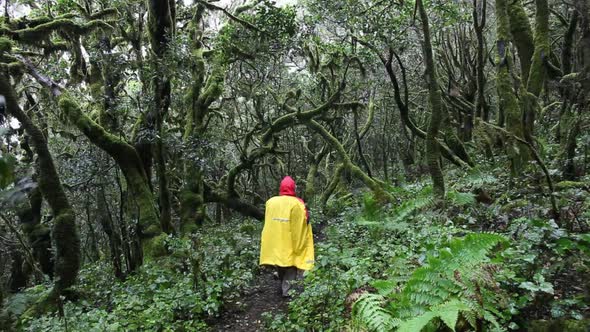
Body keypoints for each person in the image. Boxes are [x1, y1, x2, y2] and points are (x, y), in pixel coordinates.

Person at [259, 176, 314, 297]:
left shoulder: (270, 202)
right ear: (293, 188)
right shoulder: (297, 203)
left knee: (280, 262)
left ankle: (284, 285)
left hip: (275, 242)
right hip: (289, 242)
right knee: (290, 265)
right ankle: (287, 291)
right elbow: (303, 221)